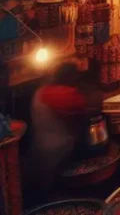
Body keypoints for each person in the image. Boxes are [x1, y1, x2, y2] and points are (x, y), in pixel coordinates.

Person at [26, 62, 98, 194]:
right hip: (59, 151)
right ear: (70, 77)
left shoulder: (41, 91)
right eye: (75, 76)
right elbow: (86, 111)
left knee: (43, 187)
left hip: (39, 147)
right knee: (59, 190)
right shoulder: (65, 94)